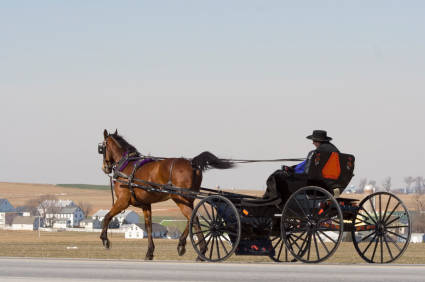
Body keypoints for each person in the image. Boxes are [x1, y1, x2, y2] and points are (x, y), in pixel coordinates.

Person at [263, 130, 339, 201]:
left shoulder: (318, 153)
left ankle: (270, 199)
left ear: (318, 141)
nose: (312, 143)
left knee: (277, 175)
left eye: (313, 141)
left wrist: (291, 169)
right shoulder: (334, 151)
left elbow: (306, 167)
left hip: (313, 181)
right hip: (330, 183)